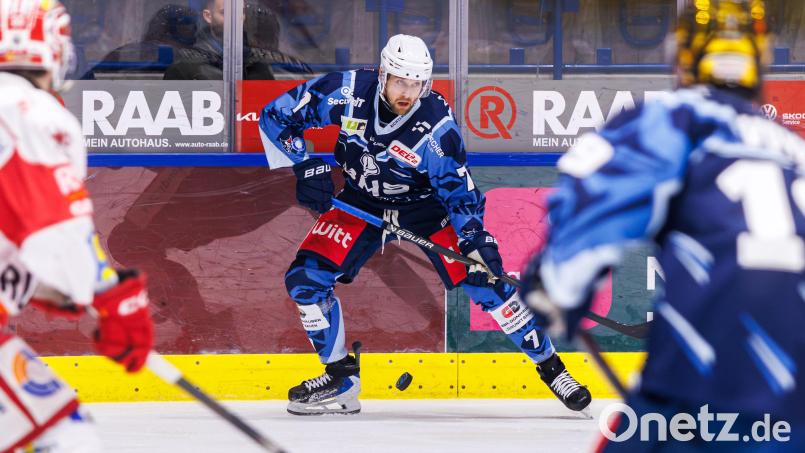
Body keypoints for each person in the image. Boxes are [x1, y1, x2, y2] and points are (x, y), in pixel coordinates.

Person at [521, 0, 804, 451]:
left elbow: (588, 214)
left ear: (683, 56)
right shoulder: (795, 152)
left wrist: (555, 285)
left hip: (697, 391)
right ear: (761, 59)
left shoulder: (676, 119)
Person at [259, 33, 591, 415]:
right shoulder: (347, 90)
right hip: (359, 200)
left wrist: (474, 240)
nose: (408, 92)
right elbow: (277, 114)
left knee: (486, 281)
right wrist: (305, 165)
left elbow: (459, 193)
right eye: (400, 81)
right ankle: (341, 378)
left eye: (417, 83)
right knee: (304, 280)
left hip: (425, 209)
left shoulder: (436, 129)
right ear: (382, 74)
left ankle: (552, 368)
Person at [0, 1, 154, 451]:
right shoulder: (33, 114)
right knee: (68, 436)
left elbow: (21, 235)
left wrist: (57, 291)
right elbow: (56, 226)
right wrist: (110, 298)